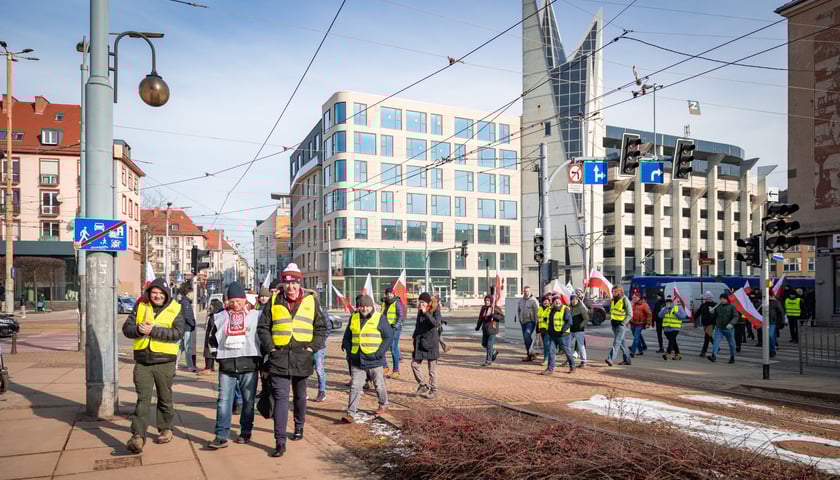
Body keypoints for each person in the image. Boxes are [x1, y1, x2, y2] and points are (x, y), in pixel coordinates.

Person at [257, 263, 327, 458]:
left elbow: (321, 328)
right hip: (278, 356)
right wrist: (270, 348)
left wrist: (313, 347)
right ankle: (280, 441)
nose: (291, 287)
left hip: (302, 356)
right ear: (283, 284)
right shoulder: (273, 301)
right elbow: (263, 327)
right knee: (280, 398)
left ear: (299, 282)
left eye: (294, 282)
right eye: (287, 283)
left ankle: (299, 426)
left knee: (300, 396)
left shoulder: (312, 301)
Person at [121, 278, 184, 454]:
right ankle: (138, 436)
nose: (157, 296)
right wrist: (139, 330)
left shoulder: (175, 308)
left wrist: (153, 331)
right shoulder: (141, 305)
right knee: (143, 400)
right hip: (143, 361)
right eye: (154, 292)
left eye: (160, 293)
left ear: (166, 295)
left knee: (165, 397)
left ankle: (166, 428)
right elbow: (127, 329)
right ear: (149, 293)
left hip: (165, 361)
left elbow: (178, 333)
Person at [206, 283, 261, 449]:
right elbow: (211, 341)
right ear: (227, 301)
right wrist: (219, 358)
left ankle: (245, 432)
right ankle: (221, 435)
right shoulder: (219, 317)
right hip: (227, 366)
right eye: (232, 301)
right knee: (223, 402)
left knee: (248, 402)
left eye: (238, 301)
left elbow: (263, 337)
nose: (235, 304)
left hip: (249, 366)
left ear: (245, 301)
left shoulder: (256, 316)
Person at [341, 295, 392, 423]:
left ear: (371, 306)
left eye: (367, 306)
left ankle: (383, 405)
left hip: (374, 359)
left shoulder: (380, 318)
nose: (364, 308)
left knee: (379, 385)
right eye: (361, 306)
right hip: (357, 360)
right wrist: (350, 352)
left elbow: (388, 337)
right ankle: (350, 413)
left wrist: (379, 353)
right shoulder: (354, 317)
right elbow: (347, 337)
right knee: (355, 387)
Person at [411, 292, 441, 399]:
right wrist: (414, 340)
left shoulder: (435, 310)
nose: (420, 304)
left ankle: (434, 390)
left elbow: (436, 323)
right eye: (420, 302)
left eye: (422, 302)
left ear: (427, 302)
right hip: (420, 343)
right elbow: (418, 327)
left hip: (431, 343)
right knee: (414, 364)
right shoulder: (419, 311)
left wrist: (426, 313)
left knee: (432, 370)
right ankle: (422, 385)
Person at [543, 295, 575, 375]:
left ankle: (572, 366)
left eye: (558, 300)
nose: (557, 302)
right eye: (555, 301)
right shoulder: (551, 310)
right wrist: (548, 331)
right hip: (552, 335)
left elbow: (569, 322)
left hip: (563, 335)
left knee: (566, 351)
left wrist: (562, 330)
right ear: (553, 303)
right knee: (551, 352)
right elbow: (549, 322)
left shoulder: (565, 309)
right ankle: (550, 369)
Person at [381, 286, 405, 378]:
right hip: (385, 328)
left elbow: (400, 316)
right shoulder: (384, 302)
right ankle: (385, 366)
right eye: (388, 293)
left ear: (393, 293)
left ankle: (396, 371)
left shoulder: (397, 302)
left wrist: (395, 326)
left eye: (391, 293)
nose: (389, 295)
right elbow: (382, 314)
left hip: (395, 329)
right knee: (381, 347)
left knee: (394, 349)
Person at [605, 287, 632, 366]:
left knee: (616, 342)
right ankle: (627, 360)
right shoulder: (613, 300)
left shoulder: (624, 300)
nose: (613, 293)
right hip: (614, 324)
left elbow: (630, 314)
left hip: (621, 325)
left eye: (615, 291)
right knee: (622, 343)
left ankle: (610, 359)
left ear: (620, 292)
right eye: (613, 291)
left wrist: (623, 323)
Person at [708, 293, 738, 364]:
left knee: (731, 343)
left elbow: (735, 316)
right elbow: (714, 316)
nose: (721, 300)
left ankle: (732, 357)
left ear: (726, 299)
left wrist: (731, 323)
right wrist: (711, 312)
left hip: (729, 329)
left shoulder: (732, 306)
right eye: (720, 299)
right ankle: (713, 356)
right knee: (716, 342)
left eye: (723, 299)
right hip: (719, 328)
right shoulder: (718, 306)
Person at [312, 299, 332, 403]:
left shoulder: (321, 311)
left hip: (319, 347)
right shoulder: (303, 310)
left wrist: (320, 341)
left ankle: (321, 391)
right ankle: (302, 392)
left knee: (319, 369)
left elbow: (328, 327)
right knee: (303, 369)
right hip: (305, 346)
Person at [201, 298, 226, 376]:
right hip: (212, 337)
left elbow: (212, 326)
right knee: (210, 351)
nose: (209, 307)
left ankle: (208, 368)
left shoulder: (214, 316)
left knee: (208, 351)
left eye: (211, 306)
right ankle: (211, 367)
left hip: (211, 337)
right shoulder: (218, 315)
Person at [475, 296, 502, 366]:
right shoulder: (483, 308)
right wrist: (478, 326)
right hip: (485, 329)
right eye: (486, 300)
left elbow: (501, 317)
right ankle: (493, 351)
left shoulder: (495, 308)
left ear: (491, 301)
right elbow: (480, 318)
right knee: (484, 344)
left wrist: (493, 315)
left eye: (488, 301)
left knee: (489, 344)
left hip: (492, 329)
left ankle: (488, 360)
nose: (487, 302)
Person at [177, 283, 198, 373]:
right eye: (193, 293)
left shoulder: (184, 302)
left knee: (180, 347)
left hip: (184, 328)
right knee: (188, 347)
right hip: (186, 328)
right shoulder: (185, 303)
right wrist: (192, 323)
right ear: (189, 293)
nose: (194, 295)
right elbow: (187, 316)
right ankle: (190, 366)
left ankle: (175, 363)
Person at [517, 286, 539, 362]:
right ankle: (529, 355)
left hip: (531, 321)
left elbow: (537, 312)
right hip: (523, 322)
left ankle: (532, 352)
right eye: (525, 291)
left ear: (530, 292)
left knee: (527, 335)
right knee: (525, 339)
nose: (526, 293)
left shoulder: (534, 301)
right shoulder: (521, 300)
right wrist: (520, 319)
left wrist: (537, 324)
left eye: (528, 291)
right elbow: (518, 310)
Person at [568, 293, 589, 367]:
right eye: (573, 299)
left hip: (579, 330)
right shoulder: (568, 307)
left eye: (575, 299)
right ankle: (569, 359)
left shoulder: (581, 307)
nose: (574, 301)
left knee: (581, 346)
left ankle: (584, 361)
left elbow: (586, 319)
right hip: (570, 330)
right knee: (566, 345)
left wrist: (581, 326)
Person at [629, 292, 651, 357]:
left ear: (638, 297)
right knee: (637, 338)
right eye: (632, 297)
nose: (633, 299)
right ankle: (640, 351)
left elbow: (649, 314)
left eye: (634, 297)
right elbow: (629, 313)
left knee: (636, 338)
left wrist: (648, 323)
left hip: (640, 324)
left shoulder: (644, 304)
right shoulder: (632, 304)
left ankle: (632, 352)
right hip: (633, 323)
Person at [696, 292, 718, 357]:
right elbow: (698, 312)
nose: (706, 298)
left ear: (711, 297)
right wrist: (693, 318)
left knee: (707, 337)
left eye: (709, 297)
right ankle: (717, 347)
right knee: (710, 337)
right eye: (706, 297)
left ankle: (703, 351)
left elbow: (718, 314)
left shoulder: (715, 305)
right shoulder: (703, 305)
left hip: (711, 323)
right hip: (705, 324)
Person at [536, 295, 552, 366]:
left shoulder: (551, 309)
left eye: (547, 301)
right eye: (544, 301)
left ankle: (546, 359)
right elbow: (538, 319)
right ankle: (549, 358)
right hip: (542, 329)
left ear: (549, 302)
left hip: (548, 330)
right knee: (546, 345)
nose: (546, 302)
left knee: (546, 345)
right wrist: (537, 329)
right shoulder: (540, 309)